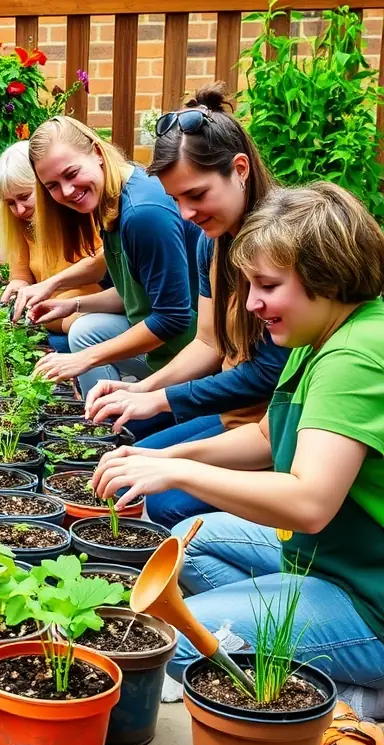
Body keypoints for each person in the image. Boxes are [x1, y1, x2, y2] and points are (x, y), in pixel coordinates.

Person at [93, 183, 384, 715]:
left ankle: (353, 696)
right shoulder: (320, 334)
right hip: (330, 561)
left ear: (328, 277)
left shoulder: (354, 359)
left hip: (370, 599)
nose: (251, 304)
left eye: (267, 286)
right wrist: (166, 459)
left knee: (175, 646)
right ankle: (299, 657)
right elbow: (267, 438)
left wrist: (181, 477)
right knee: (190, 540)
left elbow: (308, 504)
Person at [83, 85, 290, 526]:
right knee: (130, 451)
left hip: (275, 429)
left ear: (240, 170)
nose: (186, 213)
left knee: (165, 500)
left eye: (196, 195)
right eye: (176, 199)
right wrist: (140, 391)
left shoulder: (281, 248)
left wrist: (160, 399)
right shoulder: (211, 246)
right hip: (240, 417)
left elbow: (268, 373)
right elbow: (208, 342)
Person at [27, 116, 201, 409]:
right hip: (171, 339)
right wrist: (74, 305)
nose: (67, 191)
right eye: (53, 185)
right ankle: (109, 422)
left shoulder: (142, 212)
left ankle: (117, 423)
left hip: (192, 354)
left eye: (71, 173)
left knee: (86, 341)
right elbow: (136, 292)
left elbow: (173, 316)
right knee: (86, 328)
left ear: (96, 151)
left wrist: (84, 359)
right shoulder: (112, 198)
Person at [0, 141, 105, 353]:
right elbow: (21, 270)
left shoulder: (80, 213)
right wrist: (20, 283)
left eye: (25, 197)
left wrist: (51, 287)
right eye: (10, 203)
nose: (19, 209)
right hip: (52, 317)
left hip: (85, 312)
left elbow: (102, 262)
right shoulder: (23, 224)